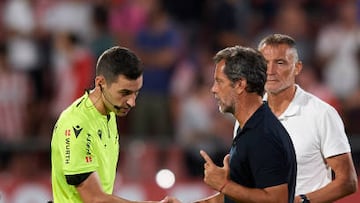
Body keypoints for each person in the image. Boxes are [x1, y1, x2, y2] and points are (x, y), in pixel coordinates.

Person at [164, 45, 297, 203]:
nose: (213, 89)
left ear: (240, 85)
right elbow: (233, 198)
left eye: (219, 82)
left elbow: (278, 200)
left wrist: (225, 185)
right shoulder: (249, 127)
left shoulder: (263, 135)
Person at [242, 33, 357, 203]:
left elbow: (348, 181)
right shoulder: (246, 116)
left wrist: (300, 201)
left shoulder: (322, 114)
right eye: (264, 63)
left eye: (280, 63)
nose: (270, 71)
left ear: (297, 68)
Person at [51, 46, 160, 203]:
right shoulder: (76, 125)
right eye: (125, 93)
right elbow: (94, 199)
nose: (132, 102)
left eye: (136, 92)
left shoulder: (109, 112)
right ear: (100, 83)